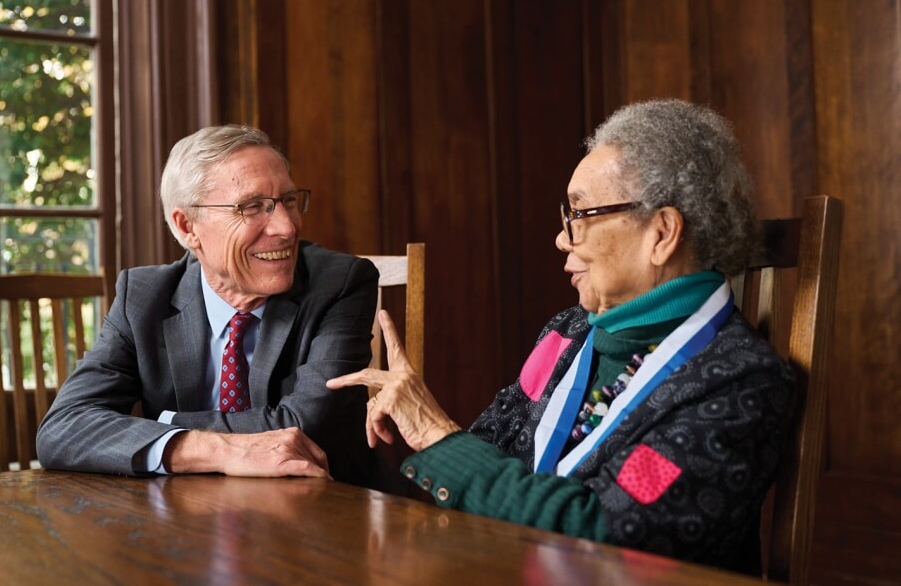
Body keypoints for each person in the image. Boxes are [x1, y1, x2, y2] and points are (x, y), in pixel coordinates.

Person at [327, 99, 795, 573]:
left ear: (662, 233)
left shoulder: (740, 381)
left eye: (581, 213)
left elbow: (607, 536)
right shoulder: (567, 334)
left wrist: (433, 433)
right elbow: (487, 451)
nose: (562, 238)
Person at [37, 124, 378, 485]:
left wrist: (162, 427)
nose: (287, 227)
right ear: (187, 227)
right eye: (252, 207)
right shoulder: (142, 296)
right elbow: (64, 427)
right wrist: (217, 449)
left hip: (325, 510)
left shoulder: (340, 283)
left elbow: (306, 426)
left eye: (288, 201)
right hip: (186, 515)